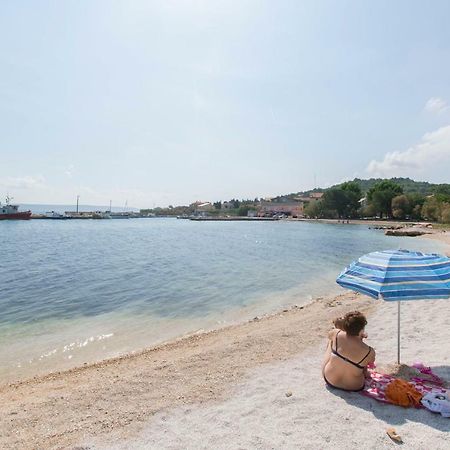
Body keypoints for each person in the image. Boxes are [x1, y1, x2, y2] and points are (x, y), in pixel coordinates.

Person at [322, 311, 375, 392]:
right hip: (354, 386)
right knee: (362, 360)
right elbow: (369, 364)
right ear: (362, 329)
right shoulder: (370, 351)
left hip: (330, 380)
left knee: (332, 341)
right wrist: (360, 339)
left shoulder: (336, 333)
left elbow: (329, 335)